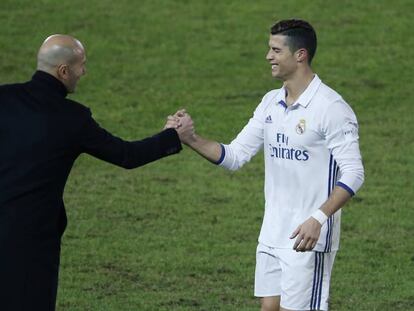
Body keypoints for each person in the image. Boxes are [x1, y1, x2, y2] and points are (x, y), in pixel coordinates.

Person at [170, 19, 364, 311]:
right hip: (272, 234)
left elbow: (354, 172)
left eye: (275, 50)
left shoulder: (331, 108)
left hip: (307, 238)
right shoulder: (271, 103)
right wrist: (190, 138)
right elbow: (235, 156)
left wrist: (318, 219)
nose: (268, 56)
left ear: (300, 55)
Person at [0, 34, 194, 311]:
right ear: (63, 71)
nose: (84, 72)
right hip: (31, 242)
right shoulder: (72, 118)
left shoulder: (3, 98)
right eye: (81, 65)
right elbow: (126, 155)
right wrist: (173, 136)